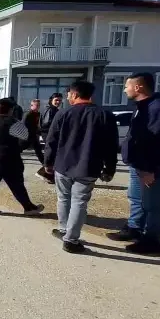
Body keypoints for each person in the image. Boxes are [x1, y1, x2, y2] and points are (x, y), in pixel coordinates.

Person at [106, 73, 160, 254]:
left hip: (152, 166)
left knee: (153, 203)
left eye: (126, 86)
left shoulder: (159, 107)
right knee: (136, 198)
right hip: (139, 164)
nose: (124, 90)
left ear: (138, 87)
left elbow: (159, 141)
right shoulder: (143, 106)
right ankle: (134, 228)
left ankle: (152, 240)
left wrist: (149, 169)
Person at [43, 81, 118, 253]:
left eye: (69, 94)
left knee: (64, 198)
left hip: (63, 165)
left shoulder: (64, 113)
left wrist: (48, 162)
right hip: (89, 166)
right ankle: (71, 238)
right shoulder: (104, 115)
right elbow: (111, 145)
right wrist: (110, 168)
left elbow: (51, 141)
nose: (67, 97)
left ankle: (65, 231)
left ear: (75, 94)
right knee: (79, 201)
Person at [0, 98, 45, 215]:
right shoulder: (15, 123)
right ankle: (29, 208)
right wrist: (17, 148)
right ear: (11, 110)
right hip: (9, 158)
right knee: (16, 184)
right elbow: (25, 137)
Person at [36, 93, 63, 183]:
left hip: (49, 134)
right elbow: (46, 124)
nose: (58, 102)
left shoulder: (52, 109)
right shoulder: (50, 110)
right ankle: (46, 174)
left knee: (52, 154)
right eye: (56, 100)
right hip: (48, 134)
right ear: (51, 100)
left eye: (60, 100)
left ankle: (47, 175)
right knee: (51, 154)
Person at [22, 99, 44, 165]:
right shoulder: (28, 114)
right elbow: (23, 125)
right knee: (20, 148)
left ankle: (44, 163)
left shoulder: (38, 114)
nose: (38, 107)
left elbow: (38, 124)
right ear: (32, 105)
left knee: (38, 149)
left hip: (34, 135)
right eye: (36, 105)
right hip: (27, 135)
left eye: (39, 105)